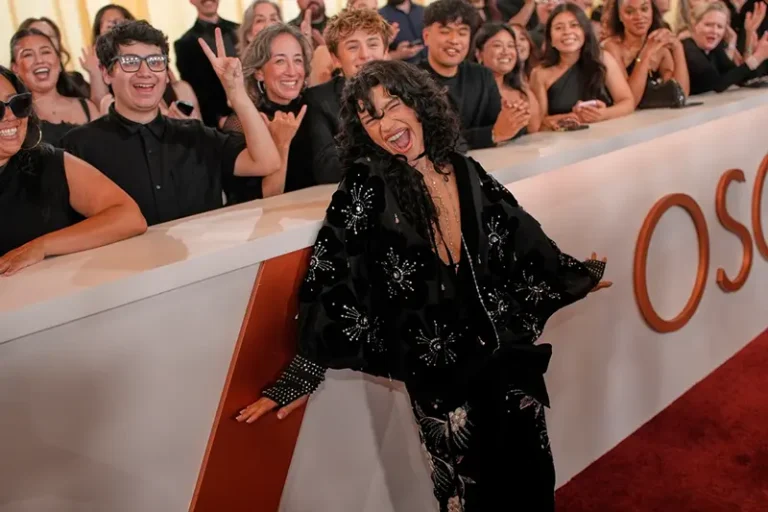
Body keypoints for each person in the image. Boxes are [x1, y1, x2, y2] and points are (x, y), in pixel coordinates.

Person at [236, 59, 610, 512]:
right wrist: (305, 371)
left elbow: (518, 234)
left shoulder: (464, 169)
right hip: (440, 378)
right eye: (369, 116)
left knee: (531, 481)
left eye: (393, 105)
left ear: (418, 104)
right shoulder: (365, 184)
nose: (385, 123)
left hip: (507, 360)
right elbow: (334, 273)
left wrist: (571, 276)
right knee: (467, 496)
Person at [62, 21, 280, 226]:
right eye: (130, 62)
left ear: (167, 74)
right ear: (106, 73)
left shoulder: (196, 136)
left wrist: (236, 91)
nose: (145, 72)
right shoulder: (79, 147)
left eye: (155, 62)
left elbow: (266, 163)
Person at [0, 66, 146, 275]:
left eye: (18, 103)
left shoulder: (47, 162)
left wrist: (42, 246)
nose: (11, 116)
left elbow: (129, 217)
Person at [291, 7, 390, 188]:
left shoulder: (408, 91)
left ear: (386, 52)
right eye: (353, 47)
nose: (365, 54)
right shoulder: (318, 100)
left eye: (373, 44)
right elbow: (327, 169)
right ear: (335, 58)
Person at [420, 0, 529, 149]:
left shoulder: (482, 75)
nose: (454, 40)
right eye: (445, 31)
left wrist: (515, 115)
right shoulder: (412, 80)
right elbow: (430, 141)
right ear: (426, 36)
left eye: (462, 32)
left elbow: (508, 129)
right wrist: (492, 134)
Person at [222, 23, 310, 199]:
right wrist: (281, 144)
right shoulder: (242, 123)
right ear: (259, 72)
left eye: (298, 60)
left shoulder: (315, 106)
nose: (292, 71)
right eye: (280, 61)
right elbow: (265, 201)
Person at [531, 3, 635, 129]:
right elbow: (538, 124)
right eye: (559, 28)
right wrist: (568, 117)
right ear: (550, 39)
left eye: (574, 25)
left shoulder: (603, 59)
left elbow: (627, 102)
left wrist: (603, 114)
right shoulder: (540, 73)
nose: (567, 32)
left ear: (585, 31)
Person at [10, 29, 100, 147]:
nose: (39, 60)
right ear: (15, 68)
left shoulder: (87, 107)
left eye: (45, 52)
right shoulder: (12, 116)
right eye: (28, 55)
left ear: (59, 60)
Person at [603, 0, 690, 106]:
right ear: (620, 16)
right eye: (630, 12)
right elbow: (630, 101)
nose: (639, 16)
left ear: (652, 11)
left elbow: (681, 94)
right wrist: (646, 54)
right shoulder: (611, 47)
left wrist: (678, 48)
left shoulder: (659, 48)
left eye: (644, 9)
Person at [175, 0, 240, 127]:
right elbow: (195, 90)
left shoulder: (240, 30)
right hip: (218, 121)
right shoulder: (184, 44)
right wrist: (218, 119)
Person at [683, 1, 768, 94]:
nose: (714, 31)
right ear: (694, 24)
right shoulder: (688, 47)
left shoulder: (715, 49)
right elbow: (716, 84)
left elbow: (741, 77)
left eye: (720, 27)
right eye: (708, 25)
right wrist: (756, 58)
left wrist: (750, 33)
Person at [474, 23, 542, 132]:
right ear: (479, 54)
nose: (506, 52)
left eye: (511, 46)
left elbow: (534, 132)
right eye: (497, 45)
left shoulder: (523, 94)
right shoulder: (469, 93)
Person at [17, 17, 91, 99]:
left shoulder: (76, 80)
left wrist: (94, 74)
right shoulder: (16, 94)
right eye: (38, 35)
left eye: (49, 36)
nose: (44, 41)